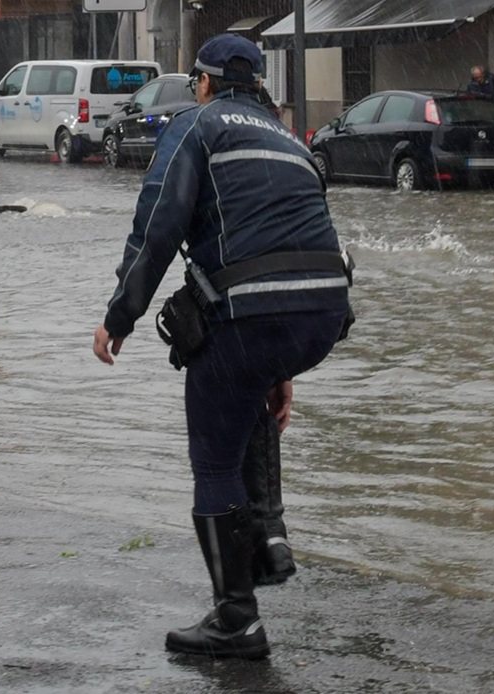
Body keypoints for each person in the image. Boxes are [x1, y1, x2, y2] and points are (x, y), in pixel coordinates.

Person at [92, 33, 352, 660]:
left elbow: (158, 224)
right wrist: (282, 365)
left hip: (257, 315)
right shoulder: (289, 138)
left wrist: (120, 317)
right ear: (258, 84)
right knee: (243, 376)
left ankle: (237, 618)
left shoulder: (196, 125)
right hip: (324, 312)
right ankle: (266, 537)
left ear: (203, 82)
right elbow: (293, 242)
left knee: (212, 457)